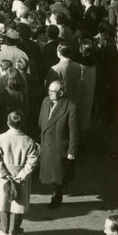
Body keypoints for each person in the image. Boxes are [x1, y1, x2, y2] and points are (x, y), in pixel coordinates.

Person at [0, 111, 39, 235]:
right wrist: (23, 175)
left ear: (7, 123)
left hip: (4, 175)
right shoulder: (28, 141)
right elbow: (32, 160)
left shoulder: (0, 139)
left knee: (4, 202)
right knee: (18, 204)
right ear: (22, 124)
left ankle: (4, 228)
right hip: (20, 175)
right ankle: (14, 228)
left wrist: (3, 172)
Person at [38, 80, 80, 209]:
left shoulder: (70, 107)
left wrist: (72, 151)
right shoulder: (46, 101)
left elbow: (74, 132)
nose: (49, 93)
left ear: (61, 93)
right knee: (52, 174)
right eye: (49, 90)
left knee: (59, 176)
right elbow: (41, 121)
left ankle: (57, 197)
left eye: (53, 91)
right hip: (47, 144)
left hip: (59, 146)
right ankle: (59, 188)